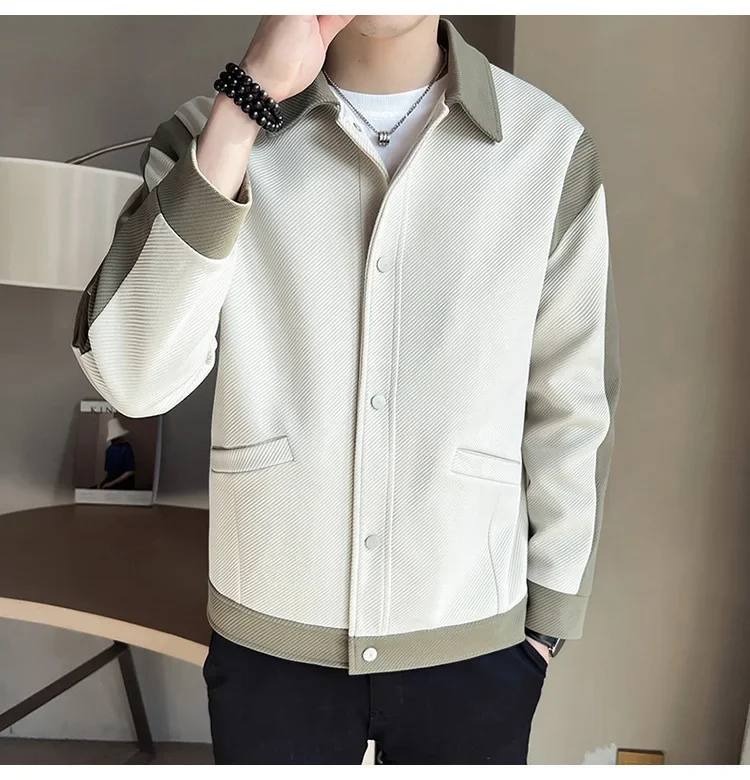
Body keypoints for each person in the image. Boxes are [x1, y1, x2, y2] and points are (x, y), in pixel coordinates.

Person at [71, 15, 620, 765]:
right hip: (270, 635)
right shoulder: (207, 136)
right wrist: (244, 108)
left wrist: (546, 625)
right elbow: (132, 378)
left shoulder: (548, 149)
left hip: (477, 641)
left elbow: (571, 403)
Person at [98, 417, 136, 490]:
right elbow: (108, 472)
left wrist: (110, 484)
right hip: (113, 484)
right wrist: (104, 483)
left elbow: (130, 471)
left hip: (124, 485)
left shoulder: (126, 448)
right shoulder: (109, 450)